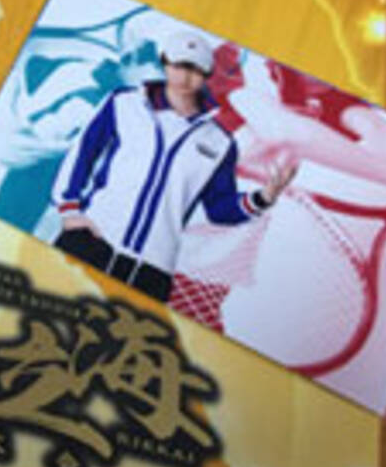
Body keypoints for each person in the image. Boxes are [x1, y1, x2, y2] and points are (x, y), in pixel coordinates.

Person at [50, 30, 296, 302]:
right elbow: (83, 153)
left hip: (152, 268)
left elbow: (219, 209)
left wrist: (264, 197)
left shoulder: (219, 143)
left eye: (195, 69)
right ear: (166, 63)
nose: (184, 77)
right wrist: (69, 211)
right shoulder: (124, 103)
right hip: (92, 240)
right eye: (179, 65)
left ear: (206, 75)